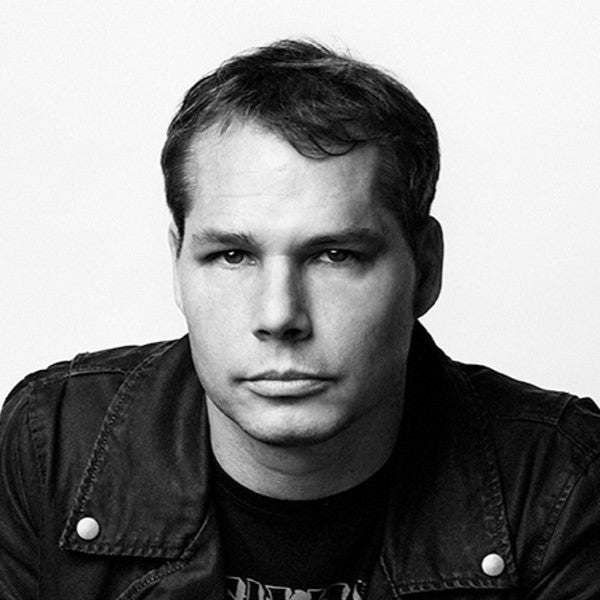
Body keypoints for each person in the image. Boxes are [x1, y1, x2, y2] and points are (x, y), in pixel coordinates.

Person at [1, 39, 599, 600]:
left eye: (335, 255)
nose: (279, 315)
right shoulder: (52, 444)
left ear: (427, 268)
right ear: (178, 265)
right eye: (232, 256)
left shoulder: (558, 482)